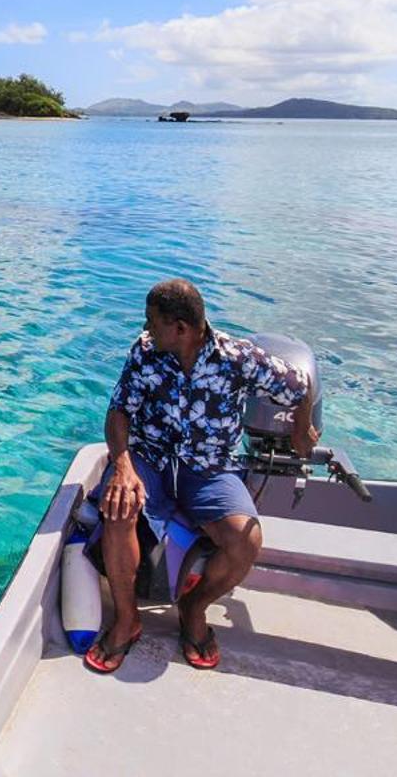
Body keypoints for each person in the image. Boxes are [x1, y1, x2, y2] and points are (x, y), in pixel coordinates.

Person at [83, 279, 313, 675]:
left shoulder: (238, 358)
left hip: (208, 469)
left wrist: (300, 429)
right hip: (150, 459)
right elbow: (119, 411)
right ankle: (127, 619)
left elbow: (300, 386)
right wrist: (121, 464)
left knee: (247, 540)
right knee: (118, 508)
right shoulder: (145, 353)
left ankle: (193, 609)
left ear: (181, 328)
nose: (145, 328)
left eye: (153, 321)